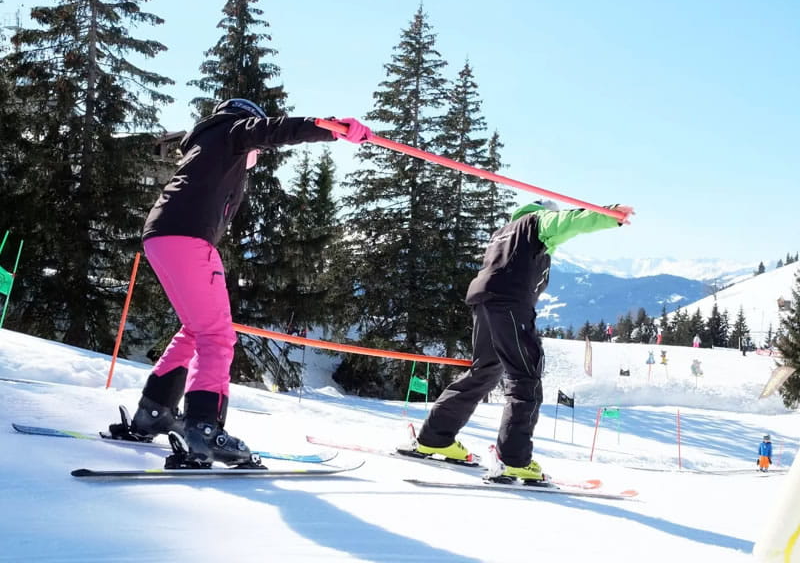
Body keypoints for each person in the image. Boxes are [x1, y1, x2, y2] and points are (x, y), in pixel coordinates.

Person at [108, 99, 372, 466]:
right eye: (258, 149)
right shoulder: (231, 130)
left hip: (163, 236)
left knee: (195, 330)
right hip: (187, 238)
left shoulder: (208, 147)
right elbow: (271, 130)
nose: (259, 154)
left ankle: (155, 412)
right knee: (217, 335)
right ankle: (204, 431)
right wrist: (330, 128)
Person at [412, 200, 634, 482]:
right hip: (510, 304)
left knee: (485, 371)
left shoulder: (503, 232)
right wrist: (609, 214)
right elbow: (571, 220)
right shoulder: (537, 223)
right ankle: (514, 459)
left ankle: (435, 437)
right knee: (525, 376)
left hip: (484, 302)